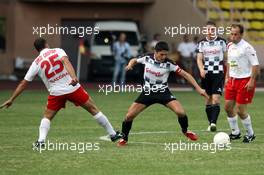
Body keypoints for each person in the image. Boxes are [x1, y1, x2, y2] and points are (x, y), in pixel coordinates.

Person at [0, 38, 123, 148]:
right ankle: (112, 134)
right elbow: (66, 62)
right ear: (46, 44)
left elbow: (24, 83)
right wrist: (74, 77)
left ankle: (41, 141)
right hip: (72, 88)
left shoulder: (36, 63)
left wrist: (12, 99)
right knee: (93, 109)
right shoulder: (58, 51)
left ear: (37, 49)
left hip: (56, 92)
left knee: (47, 117)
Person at [117, 41, 209, 146]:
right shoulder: (147, 57)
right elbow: (134, 60)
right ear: (155, 52)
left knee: (181, 112)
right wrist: (130, 65)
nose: (164, 56)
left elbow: (186, 75)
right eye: (161, 54)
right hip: (147, 92)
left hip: (163, 92)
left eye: (166, 54)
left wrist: (198, 88)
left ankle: (185, 131)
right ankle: (124, 138)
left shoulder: (169, 64)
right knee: (129, 116)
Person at [225, 24, 259, 143]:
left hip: (244, 80)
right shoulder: (229, 46)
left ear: (241, 34)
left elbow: (255, 65)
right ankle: (235, 132)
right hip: (232, 80)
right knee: (228, 107)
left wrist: (252, 80)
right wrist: (227, 76)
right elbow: (230, 62)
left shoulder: (247, 47)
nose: (233, 36)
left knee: (240, 110)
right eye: (231, 34)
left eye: (236, 34)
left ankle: (250, 134)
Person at [196, 21, 227, 132]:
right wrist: (201, 69)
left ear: (215, 30)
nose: (210, 32)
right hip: (206, 74)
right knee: (208, 99)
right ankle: (210, 123)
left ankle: (213, 123)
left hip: (218, 73)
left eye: (212, 29)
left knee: (216, 98)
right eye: (208, 30)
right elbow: (199, 59)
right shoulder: (201, 43)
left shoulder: (222, 42)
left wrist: (227, 74)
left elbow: (227, 59)